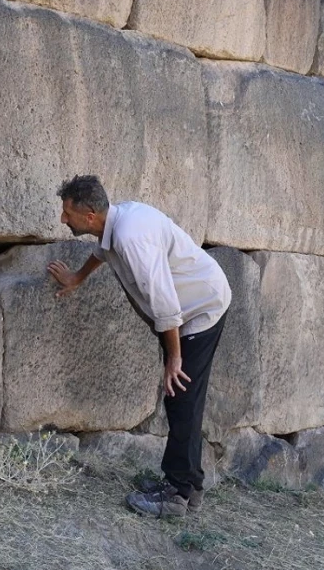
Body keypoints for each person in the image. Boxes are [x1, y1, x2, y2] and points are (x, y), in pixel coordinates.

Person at [47, 175, 231, 518]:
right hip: (190, 307)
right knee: (183, 401)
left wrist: (174, 358)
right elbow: (101, 253)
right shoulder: (115, 224)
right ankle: (189, 487)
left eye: (66, 212)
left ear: (89, 216)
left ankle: (177, 495)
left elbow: (165, 302)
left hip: (199, 309)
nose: (62, 219)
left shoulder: (131, 237)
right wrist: (76, 278)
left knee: (181, 399)